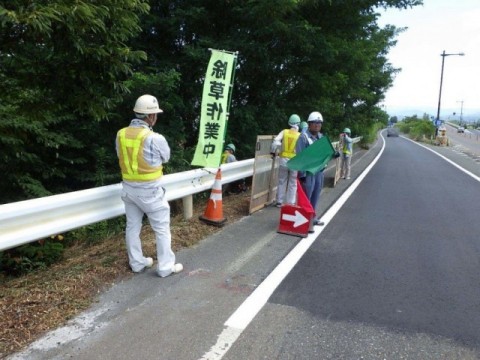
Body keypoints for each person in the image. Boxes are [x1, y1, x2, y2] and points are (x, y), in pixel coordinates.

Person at [116, 94, 183, 277]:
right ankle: (165, 267)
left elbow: (120, 155)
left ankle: (137, 263)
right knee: (161, 229)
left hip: (129, 190)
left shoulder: (120, 134)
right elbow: (166, 157)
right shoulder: (155, 138)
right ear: (151, 116)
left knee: (132, 226)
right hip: (150, 191)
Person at [295, 111, 326, 226]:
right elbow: (300, 156)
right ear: (309, 123)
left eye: (319, 123)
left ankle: (313, 217)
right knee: (306, 196)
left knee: (316, 194)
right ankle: (304, 220)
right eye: (315, 122)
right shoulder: (303, 138)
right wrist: (302, 175)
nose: (317, 125)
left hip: (319, 171)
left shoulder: (321, 137)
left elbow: (323, 153)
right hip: (307, 173)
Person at [271, 114, 301, 207]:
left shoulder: (284, 132)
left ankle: (279, 201)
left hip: (283, 160)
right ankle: (290, 202)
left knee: (282, 181)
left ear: (289, 123)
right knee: (293, 182)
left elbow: (275, 141)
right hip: (295, 162)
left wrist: (273, 151)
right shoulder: (300, 135)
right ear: (299, 124)